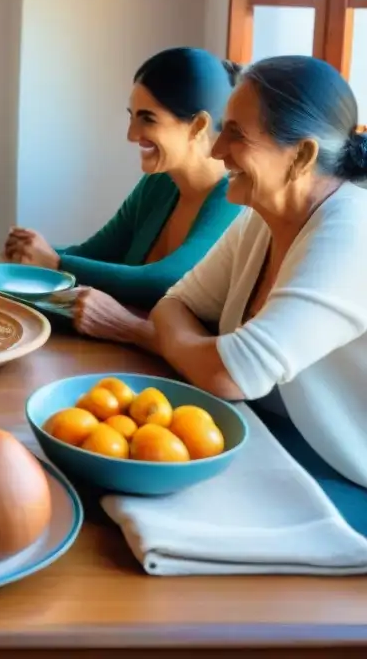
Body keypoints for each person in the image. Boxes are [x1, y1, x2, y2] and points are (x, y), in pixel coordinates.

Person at [151, 55, 367, 535]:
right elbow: (174, 303)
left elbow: (229, 377)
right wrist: (204, 355)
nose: (216, 151)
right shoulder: (258, 216)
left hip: (347, 480)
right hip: (270, 445)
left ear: (303, 156)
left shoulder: (353, 231)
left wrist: (199, 355)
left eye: (237, 135)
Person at [5, 47, 243, 350]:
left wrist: (54, 261)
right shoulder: (158, 183)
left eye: (148, 119)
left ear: (198, 126)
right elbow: (96, 253)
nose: (132, 134)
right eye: (132, 117)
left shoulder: (232, 198)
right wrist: (33, 253)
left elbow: (166, 282)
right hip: (131, 356)